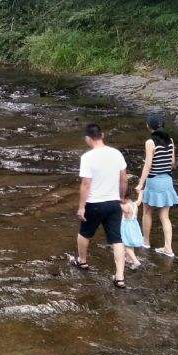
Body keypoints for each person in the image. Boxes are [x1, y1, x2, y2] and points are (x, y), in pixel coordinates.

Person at [71, 122, 128, 289]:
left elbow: (86, 184)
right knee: (116, 239)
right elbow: (123, 178)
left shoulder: (87, 157)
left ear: (88, 139)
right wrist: (122, 198)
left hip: (94, 203)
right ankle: (119, 276)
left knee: (84, 233)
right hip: (113, 203)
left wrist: (81, 207)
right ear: (102, 135)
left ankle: (82, 261)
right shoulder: (116, 154)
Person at [135, 114, 178, 258]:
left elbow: (148, 165)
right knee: (165, 216)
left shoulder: (150, 142)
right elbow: (172, 163)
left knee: (147, 212)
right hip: (167, 180)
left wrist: (141, 183)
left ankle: (146, 242)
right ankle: (168, 248)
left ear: (149, 126)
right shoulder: (170, 140)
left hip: (153, 181)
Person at [121, 183, 145, 270]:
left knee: (126, 244)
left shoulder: (125, 206)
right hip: (134, 226)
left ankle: (135, 261)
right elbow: (139, 200)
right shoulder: (135, 204)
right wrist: (141, 192)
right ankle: (129, 259)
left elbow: (117, 206)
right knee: (130, 243)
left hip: (127, 227)